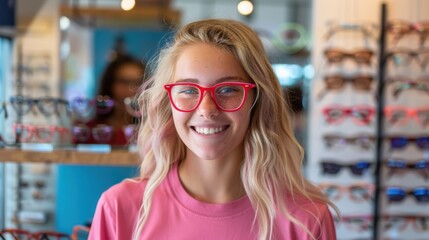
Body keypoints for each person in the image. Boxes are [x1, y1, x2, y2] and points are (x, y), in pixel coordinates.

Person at [89, 19, 338, 240]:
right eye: (188, 90)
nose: (207, 109)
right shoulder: (120, 208)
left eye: (228, 89)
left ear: (257, 100)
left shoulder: (305, 220)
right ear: (169, 102)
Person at [74, 55, 145, 146]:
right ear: (109, 85)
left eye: (138, 82)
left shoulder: (151, 131)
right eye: (124, 82)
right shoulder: (87, 131)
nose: (131, 90)